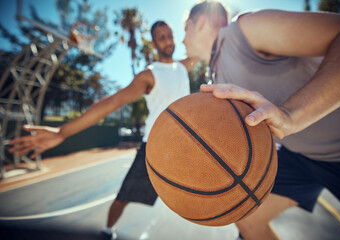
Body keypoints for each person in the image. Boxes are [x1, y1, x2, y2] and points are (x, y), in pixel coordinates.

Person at [182, 1, 340, 240]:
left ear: (201, 23)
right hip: (301, 156)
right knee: (246, 219)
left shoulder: (244, 30)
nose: (182, 39)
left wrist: (290, 114)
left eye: (185, 28)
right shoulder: (217, 75)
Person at [9, 20, 199, 240]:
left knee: (220, 181)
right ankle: (107, 231)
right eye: (162, 37)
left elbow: (211, 46)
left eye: (170, 35)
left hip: (186, 144)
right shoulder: (149, 74)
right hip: (154, 147)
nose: (168, 41)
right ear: (154, 43)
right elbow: (112, 102)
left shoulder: (185, 66)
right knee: (123, 197)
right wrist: (63, 132)